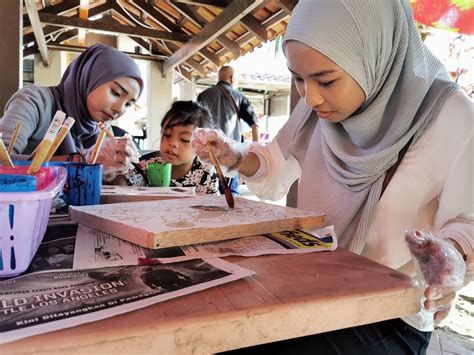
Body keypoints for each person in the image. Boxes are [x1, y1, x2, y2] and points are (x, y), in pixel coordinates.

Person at [191, 0, 473, 353]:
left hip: (391, 311)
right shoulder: (316, 112)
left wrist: (452, 252)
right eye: (297, 79)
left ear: (373, 55)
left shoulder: (450, 116)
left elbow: (468, 221)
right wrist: (233, 156)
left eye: (325, 80)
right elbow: (274, 169)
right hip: (310, 285)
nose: (309, 97)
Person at [0, 44, 143, 183]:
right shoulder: (35, 101)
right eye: (116, 93)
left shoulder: (103, 134)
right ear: (91, 76)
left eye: (128, 104)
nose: (119, 109)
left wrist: (122, 171)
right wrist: (81, 160)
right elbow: (2, 161)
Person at [197, 65, 259, 195]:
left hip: (207, 155)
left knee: (208, 193)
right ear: (232, 78)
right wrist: (256, 150)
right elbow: (255, 125)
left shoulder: (203, 96)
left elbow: (196, 125)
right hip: (231, 155)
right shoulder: (239, 97)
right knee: (231, 194)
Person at [140, 100, 219, 194]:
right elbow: (121, 186)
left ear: (202, 146)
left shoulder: (206, 173)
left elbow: (212, 205)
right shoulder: (146, 165)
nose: (173, 143)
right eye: (167, 134)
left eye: (185, 139)